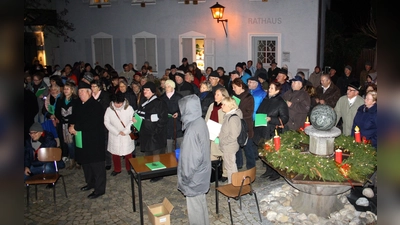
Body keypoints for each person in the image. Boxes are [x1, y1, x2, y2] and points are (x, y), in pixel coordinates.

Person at [69, 81, 106, 199]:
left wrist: (76, 127)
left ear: (89, 92)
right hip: (82, 139)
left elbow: (92, 123)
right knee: (86, 164)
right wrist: (72, 125)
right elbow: (73, 117)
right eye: (79, 92)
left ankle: (99, 189)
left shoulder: (95, 106)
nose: (80, 94)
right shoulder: (79, 104)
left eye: (82, 92)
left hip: (94, 140)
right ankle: (90, 183)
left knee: (97, 166)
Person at [177, 94, 211, 225]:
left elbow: (191, 159)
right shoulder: (200, 121)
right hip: (202, 173)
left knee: (195, 209)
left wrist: (185, 178)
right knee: (200, 204)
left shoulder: (191, 130)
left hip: (194, 177)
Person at [253, 82, 289, 181]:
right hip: (262, 128)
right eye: (269, 87)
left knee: (272, 153)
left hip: (272, 130)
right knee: (265, 152)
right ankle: (268, 170)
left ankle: (275, 173)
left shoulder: (280, 102)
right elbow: (259, 111)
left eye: (272, 88)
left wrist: (271, 119)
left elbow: (285, 118)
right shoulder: (266, 99)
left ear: (277, 91)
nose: (269, 89)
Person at [135, 82, 168, 182]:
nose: (145, 92)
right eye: (144, 90)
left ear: (153, 91)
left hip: (155, 135)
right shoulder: (144, 101)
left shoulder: (159, 102)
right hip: (146, 133)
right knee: (148, 155)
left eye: (147, 90)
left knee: (156, 155)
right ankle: (151, 172)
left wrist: (155, 131)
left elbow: (163, 119)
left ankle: (158, 174)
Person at [104, 92, 135, 176]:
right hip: (114, 135)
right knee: (115, 153)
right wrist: (116, 131)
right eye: (116, 103)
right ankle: (117, 169)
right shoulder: (109, 109)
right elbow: (106, 122)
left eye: (120, 103)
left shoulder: (129, 108)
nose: (117, 105)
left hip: (126, 134)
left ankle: (129, 168)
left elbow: (132, 120)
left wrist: (125, 131)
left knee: (128, 153)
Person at [205, 87, 230, 182]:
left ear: (224, 96)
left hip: (221, 134)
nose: (215, 96)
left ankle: (225, 174)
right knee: (211, 154)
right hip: (212, 133)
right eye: (215, 94)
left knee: (224, 155)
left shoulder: (226, 106)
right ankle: (213, 174)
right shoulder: (212, 105)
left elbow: (227, 121)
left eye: (218, 94)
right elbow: (207, 118)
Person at [55, 81, 80, 169]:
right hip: (63, 124)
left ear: (72, 90)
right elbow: (57, 111)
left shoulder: (76, 100)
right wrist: (61, 118)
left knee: (75, 143)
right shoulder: (60, 99)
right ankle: (72, 159)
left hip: (73, 123)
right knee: (68, 143)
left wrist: (72, 122)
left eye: (67, 89)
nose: (65, 91)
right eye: (64, 89)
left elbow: (77, 113)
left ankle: (77, 160)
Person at [232, 78, 255, 170]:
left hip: (245, 126)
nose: (233, 89)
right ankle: (239, 163)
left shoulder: (248, 97)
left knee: (248, 148)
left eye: (234, 87)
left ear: (240, 86)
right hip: (236, 125)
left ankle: (251, 167)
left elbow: (249, 113)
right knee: (236, 147)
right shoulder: (234, 96)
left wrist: (237, 111)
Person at [219, 96, 243, 184]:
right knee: (230, 166)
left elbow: (233, 135)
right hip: (228, 146)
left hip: (229, 146)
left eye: (224, 104)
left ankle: (234, 184)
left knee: (231, 167)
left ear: (229, 106)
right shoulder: (229, 116)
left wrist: (223, 141)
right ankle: (233, 183)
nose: (222, 106)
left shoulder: (233, 118)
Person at [91, 79, 112, 170]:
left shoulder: (105, 95)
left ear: (99, 87)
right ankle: (99, 159)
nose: (92, 88)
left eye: (94, 86)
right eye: (91, 86)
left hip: (103, 122)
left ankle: (108, 161)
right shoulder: (90, 95)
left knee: (105, 142)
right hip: (94, 123)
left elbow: (105, 108)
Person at [160, 79, 184, 153]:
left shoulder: (179, 97)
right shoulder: (162, 98)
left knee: (180, 146)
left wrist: (178, 114)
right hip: (167, 124)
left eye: (168, 86)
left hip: (177, 124)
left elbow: (183, 109)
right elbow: (160, 110)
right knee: (168, 146)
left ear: (173, 87)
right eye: (166, 86)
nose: (166, 88)